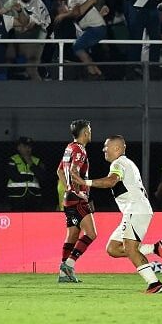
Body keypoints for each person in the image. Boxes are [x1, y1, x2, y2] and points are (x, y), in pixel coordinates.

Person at [91, 135, 162, 294]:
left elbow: (111, 182)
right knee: (112, 249)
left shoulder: (118, 163)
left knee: (130, 248)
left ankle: (154, 283)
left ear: (117, 148)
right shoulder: (126, 163)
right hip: (134, 210)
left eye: (106, 147)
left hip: (136, 210)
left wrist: (85, 182)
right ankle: (154, 248)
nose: (103, 149)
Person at [56, 119, 98, 283]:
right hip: (77, 198)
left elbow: (59, 171)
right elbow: (73, 171)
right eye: (89, 129)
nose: (90, 133)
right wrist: (77, 191)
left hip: (68, 199)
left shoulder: (69, 148)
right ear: (85, 132)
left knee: (72, 235)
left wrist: (67, 188)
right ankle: (69, 264)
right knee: (91, 233)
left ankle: (63, 274)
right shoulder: (80, 150)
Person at [6, 136, 46, 211]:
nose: (27, 149)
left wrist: (31, 163)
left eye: (29, 147)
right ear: (18, 147)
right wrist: (31, 177)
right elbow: (14, 176)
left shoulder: (37, 160)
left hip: (34, 196)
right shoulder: (12, 159)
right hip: (16, 196)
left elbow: (42, 176)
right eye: (24, 146)